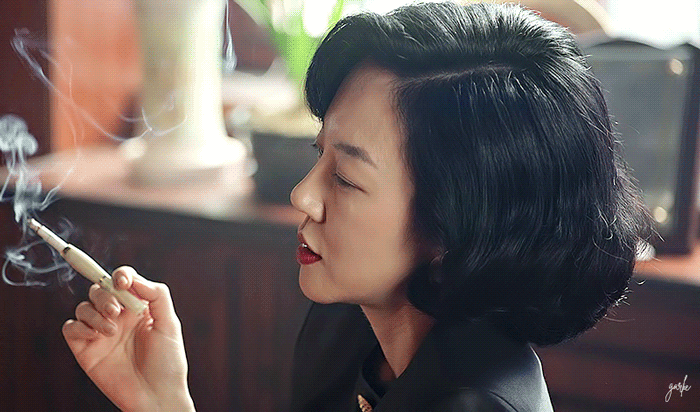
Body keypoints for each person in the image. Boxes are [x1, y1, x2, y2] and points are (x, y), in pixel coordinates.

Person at [62, 2, 651, 411]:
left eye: (345, 178)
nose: (303, 195)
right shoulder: (345, 329)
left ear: (455, 225)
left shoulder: (476, 405)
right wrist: (162, 401)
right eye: (319, 154)